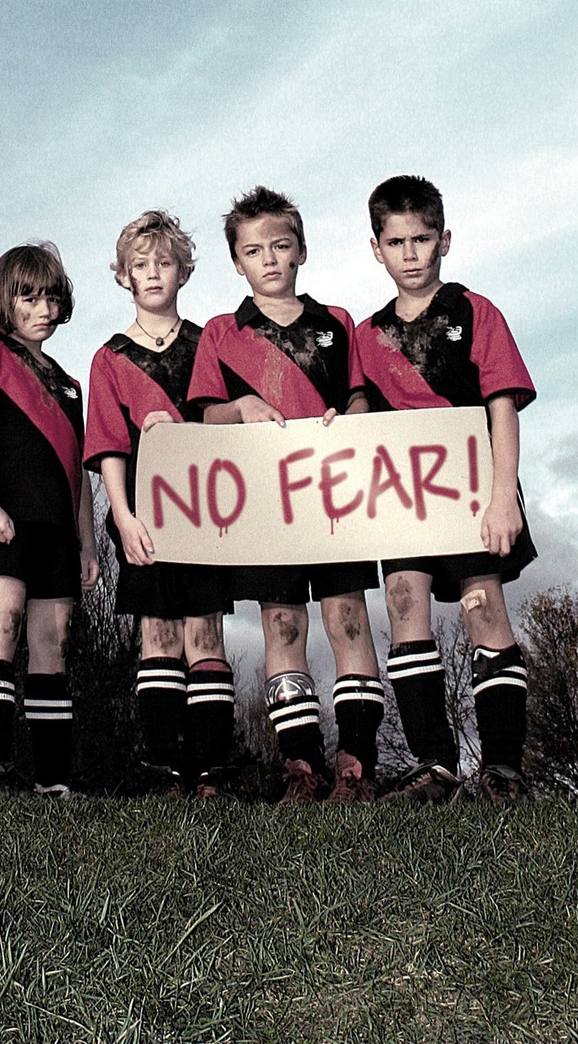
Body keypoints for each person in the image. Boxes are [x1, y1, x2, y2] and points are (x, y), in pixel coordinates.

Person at [188, 185, 385, 803]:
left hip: (333, 499)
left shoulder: (338, 323)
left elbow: (360, 395)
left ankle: (356, 764)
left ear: (301, 250)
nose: (269, 259)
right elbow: (201, 417)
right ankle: (300, 766)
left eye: (280, 245)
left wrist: (348, 415)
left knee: (349, 619)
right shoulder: (221, 332)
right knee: (281, 625)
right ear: (237, 262)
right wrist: (239, 407)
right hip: (265, 506)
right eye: (254, 250)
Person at [357, 175, 536, 804]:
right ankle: (433, 764)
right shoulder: (366, 334)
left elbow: (502, 404)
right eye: (396, 241)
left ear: (445, 241)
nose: (411, 253)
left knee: (483, 605)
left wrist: (502, 494)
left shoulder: (475, 311)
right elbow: (360, 413)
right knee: (404, 603)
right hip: (403, 500)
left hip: (472, 492)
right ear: (376, 248)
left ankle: (504, 768)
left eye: (423, 239)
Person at [84, 210, 235, 799]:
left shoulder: (208, 344)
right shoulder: (110, 357)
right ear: (123, 276)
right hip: (144, 516)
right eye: (140, 265)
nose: (153, 274)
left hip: (206, 514)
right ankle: (163, 770)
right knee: (158, 636)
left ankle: (212, 771)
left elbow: (226, 430)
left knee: (207, 634)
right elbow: (108, 447)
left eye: (164, 263)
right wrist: (121, 517)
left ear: (183, 271)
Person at [0, 240, 99, 799]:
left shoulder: (69, 383)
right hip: (6, 520)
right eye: (28, 297)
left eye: (51, 298)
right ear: (4, 301)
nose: (42, 309)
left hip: (59, 529)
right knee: (4, 620)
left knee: (52, 642)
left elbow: (79, 470)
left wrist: (88, 544)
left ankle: (53, 782)